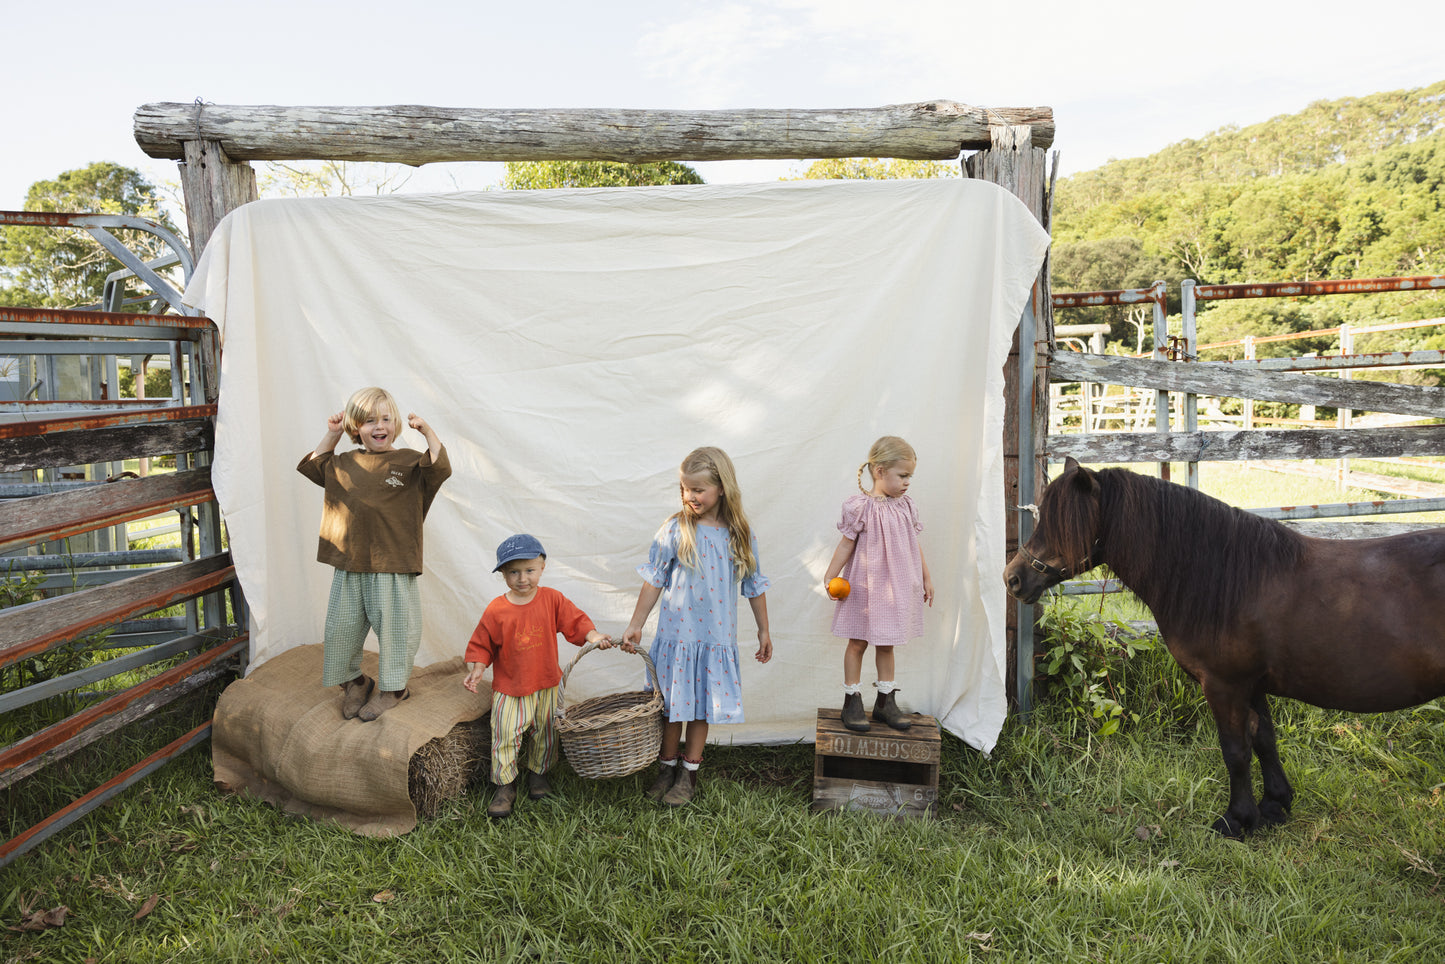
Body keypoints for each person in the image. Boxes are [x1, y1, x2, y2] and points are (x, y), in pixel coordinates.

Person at [621, 446, 773, 807]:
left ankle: (689, 773)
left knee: (701, 708)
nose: (690, 496)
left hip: (714, 639)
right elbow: (654, 580)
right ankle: (666, 768)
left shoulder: (739, 534)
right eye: (684, 489)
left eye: (698, 489)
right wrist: (636, 624)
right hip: (678, 637)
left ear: (721, 487)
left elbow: (754, 585)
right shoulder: (676, 529)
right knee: (673, 707)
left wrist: (763, 630)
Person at [298, 387, 451, 722]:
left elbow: (440, 467)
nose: (379, 426)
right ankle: (355, 683)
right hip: (349, 563)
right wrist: (332, 433)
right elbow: (314, 465)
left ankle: (394, 690)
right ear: (355, 427)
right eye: (369, 421)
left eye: (385, 419)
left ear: (395, 423)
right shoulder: (344, 463)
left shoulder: (411, 463)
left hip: (392, 564)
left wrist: (427, 431)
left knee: (396, 633)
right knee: (340, 632)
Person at [463, 534, 614, 819]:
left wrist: (592, 635)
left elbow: (574, 620)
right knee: (504, 734)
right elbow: (483, 643)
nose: (522, 578)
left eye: (529, 570)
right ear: (503, 573)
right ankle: (504, 785)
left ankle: (538, 774)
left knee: (546, 732)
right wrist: (478, 667)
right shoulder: (497, 609)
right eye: (513, 572)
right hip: (510, 687)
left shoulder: (551, 599)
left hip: (546, 683)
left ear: (542, 567)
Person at [822, 435, 933, 733]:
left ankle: (885, 701)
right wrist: (830, 575)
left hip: (895, 587)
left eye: (910, 476)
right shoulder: (860, 507)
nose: (907, 482)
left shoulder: (906, 506)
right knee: (857, 642)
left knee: (887, 643)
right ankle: (852, 701)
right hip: (864, 586)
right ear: (880, 471)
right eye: (903, 475)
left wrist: (926, 577)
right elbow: (846, 544)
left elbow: (914, 544)